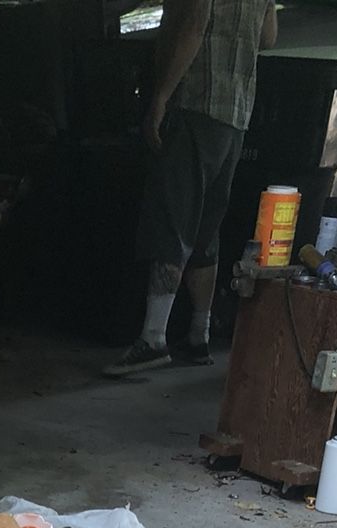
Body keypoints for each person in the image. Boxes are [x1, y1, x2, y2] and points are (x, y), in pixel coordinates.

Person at [104, 0, 278, 376]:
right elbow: (268, 37)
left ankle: (153, 339)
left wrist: (160, 97)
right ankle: (199, 334)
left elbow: (194, 27)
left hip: (197, 105)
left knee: (173, 218)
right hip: (236, 115)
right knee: (205, 228)